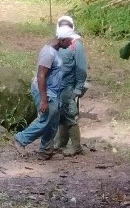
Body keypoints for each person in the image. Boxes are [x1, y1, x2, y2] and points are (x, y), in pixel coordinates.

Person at [12, 25, 75, 160]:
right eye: (70, 40)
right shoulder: (48, 53)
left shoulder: (56, 50)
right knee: (46, 120)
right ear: (62, 40)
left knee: (53, 122)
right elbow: (41, 76)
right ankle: (20, 139)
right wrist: (44, 99)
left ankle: (45, 151)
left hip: (52, 91)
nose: (71, 43)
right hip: (45, 91)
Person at [54, 14, 87, 156]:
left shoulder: (76, 46)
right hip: (57, 86)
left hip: (69, 87)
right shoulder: (57, 44)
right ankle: (61, 142)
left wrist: (79, 88)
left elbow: (81, 68)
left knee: (70, 114)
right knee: (61, 114)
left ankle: (76, 146)